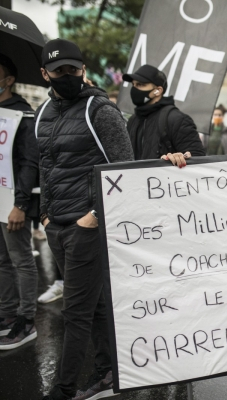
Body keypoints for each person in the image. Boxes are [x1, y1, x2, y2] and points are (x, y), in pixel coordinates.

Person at [35, 39, 134, 400]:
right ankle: (109, 372)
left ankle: (63, 390)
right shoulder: (44, 112)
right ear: (44, 73)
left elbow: (124, 170)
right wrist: (45, 215)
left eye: (73, 70)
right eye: (59, 71)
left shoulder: (101, 111)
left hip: (87, 228)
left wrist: (93, 217)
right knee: (93, 306)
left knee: (75, 312)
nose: (67, 76)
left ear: (83, 71)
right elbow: (47, 168)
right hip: (57, 227)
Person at [0, 54, 40, 350]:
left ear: (9, 80)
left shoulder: (22, 114)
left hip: (12, 202)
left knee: (21, 260)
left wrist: (21, 205)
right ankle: (6, 315)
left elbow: (29, 162)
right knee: (2, 261)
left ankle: (26, 321)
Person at [124, 64, 205, 161]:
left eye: (141, 84)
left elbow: (198, 160)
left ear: (158, 91)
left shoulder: (177, 119)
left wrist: (177, 159)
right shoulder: (133, 120)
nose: (135, 89)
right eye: (133, 85)